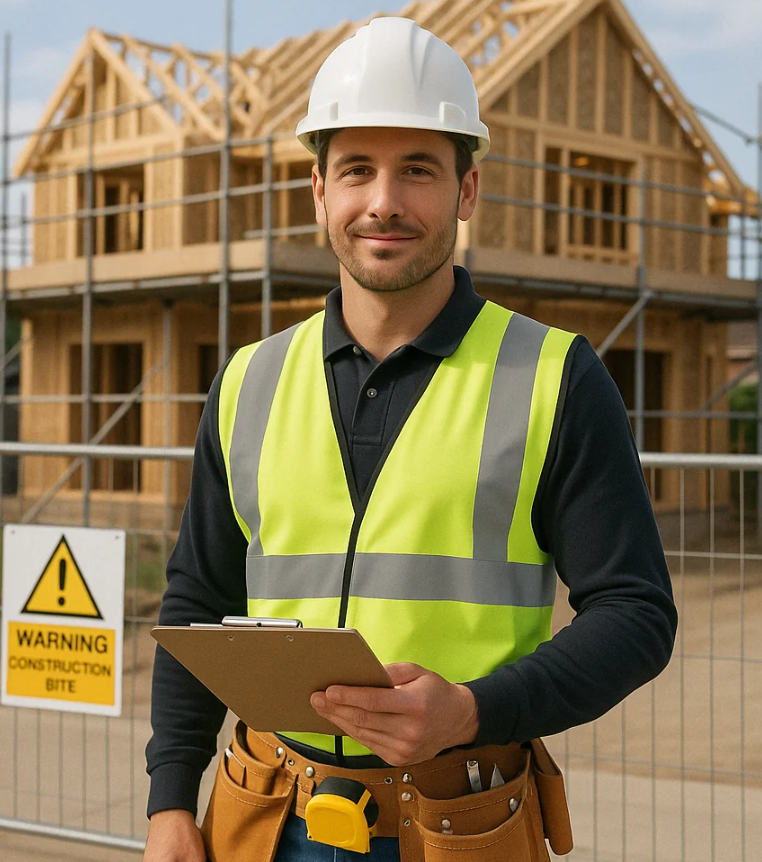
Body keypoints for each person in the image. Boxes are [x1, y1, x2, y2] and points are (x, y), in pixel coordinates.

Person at [143, 16, 677, 862]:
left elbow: (637, 615)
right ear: (319, 191)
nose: (383, 200)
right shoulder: (249, 381)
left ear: (466, 193)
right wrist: (170, 798)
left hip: (459, 824)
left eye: (418, 170)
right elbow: (196, 600)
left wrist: (474, 707)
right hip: (265, 817)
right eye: (357, 169)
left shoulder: (554, 376)